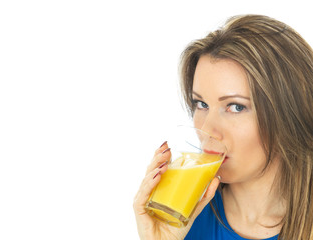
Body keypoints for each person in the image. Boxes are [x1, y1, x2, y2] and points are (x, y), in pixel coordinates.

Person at [133, 14, 313, 240]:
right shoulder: (179, 219)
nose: (207, 129)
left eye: (236, 107)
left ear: (289, 115)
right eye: (201, 104)